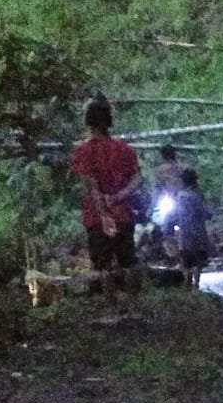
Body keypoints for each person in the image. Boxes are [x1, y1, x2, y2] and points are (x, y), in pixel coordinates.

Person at [70, 93, 142, 296]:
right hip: (123, 214)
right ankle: (133, 306)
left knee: (103, 266)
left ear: (89, 122)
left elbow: (92, 186)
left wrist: (103, 215)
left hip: (97, 216)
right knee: (129, 262)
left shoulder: (84, 151)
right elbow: (137, 179)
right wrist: (120, 196)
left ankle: (112, 310)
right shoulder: (124, 149)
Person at [176, 168, 212, 289]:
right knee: (198, 259)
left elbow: (177, 214)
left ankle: (187, 281)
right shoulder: (198, 194)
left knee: (186, 258)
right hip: (198, 230)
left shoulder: (180, 196)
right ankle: (196, 283)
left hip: (185, 231)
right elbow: (206, 212)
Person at [154, 145, 183, 260]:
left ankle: (174, 255)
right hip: (182, 201)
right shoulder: (182, 168)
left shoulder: (161, 170)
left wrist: (152, 207)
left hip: (173, 201)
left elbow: (158, 188)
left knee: (167, 230)